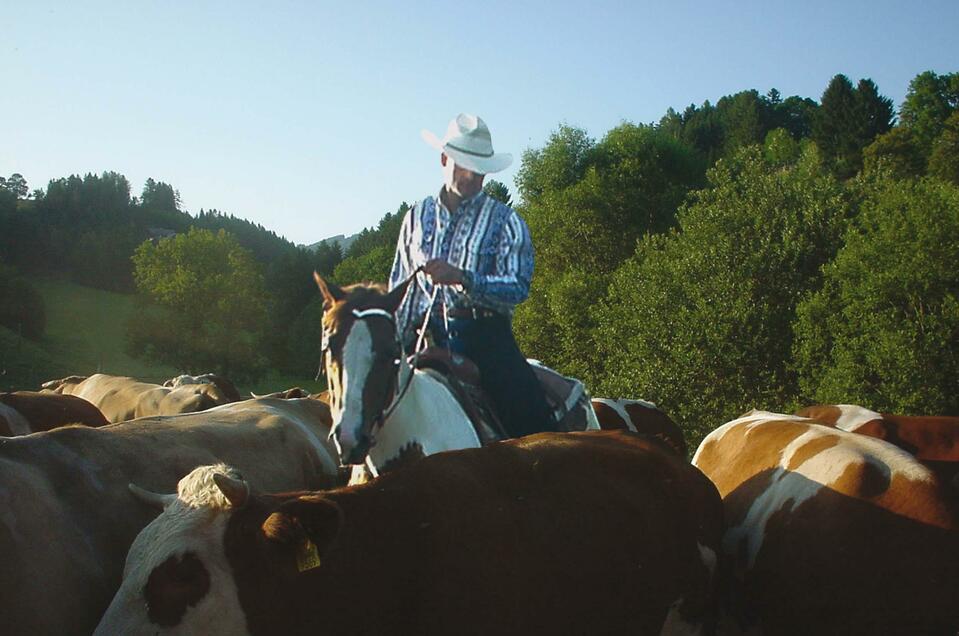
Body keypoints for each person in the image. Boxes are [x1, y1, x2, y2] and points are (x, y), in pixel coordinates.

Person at [389, 113, 556, 438]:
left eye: (479, 170)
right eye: (463, 166)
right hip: (427, 338)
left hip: (488, 341)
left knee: (532, 425)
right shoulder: (416, 217)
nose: (472, 177)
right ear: (443, 159)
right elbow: (402, 287)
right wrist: (392, 343)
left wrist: (464, 278)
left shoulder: (505, 220)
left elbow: (518, 287)